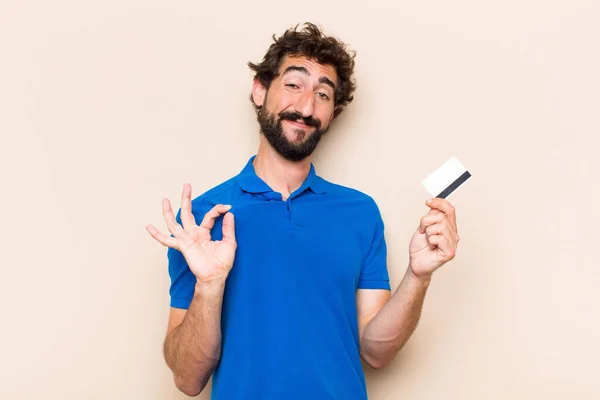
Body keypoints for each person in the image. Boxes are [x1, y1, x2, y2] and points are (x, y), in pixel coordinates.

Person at [146, 22, 460, 400]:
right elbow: (187, 379)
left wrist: (418, 276)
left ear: (333, 114)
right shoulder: (200, 220)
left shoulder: (359, 213)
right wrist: (209, 288)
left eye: (323, 95)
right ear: (260, 90)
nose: (306, 106)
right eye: (294, 85)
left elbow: (376, 352)